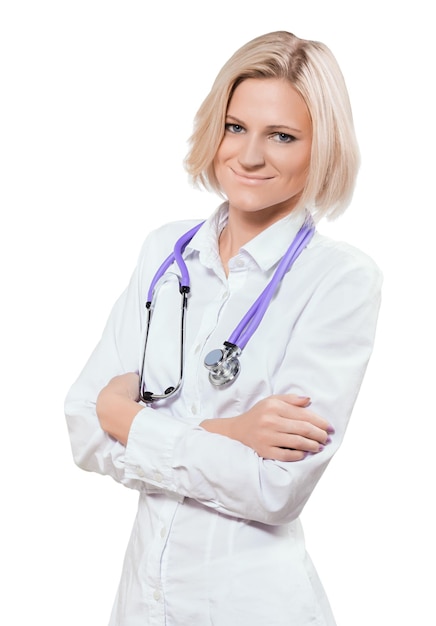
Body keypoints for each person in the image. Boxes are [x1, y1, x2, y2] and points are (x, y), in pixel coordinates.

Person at [65, 30, 382, 626]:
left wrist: (131, 422)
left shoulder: (339, 280)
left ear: (322, 148)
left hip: (252, 606)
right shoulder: (166, 253)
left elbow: (275, 489)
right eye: (236, 127)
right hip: (142, 604)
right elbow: (84, 424)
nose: (249, 155)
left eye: (282, 136)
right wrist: (227, 431)